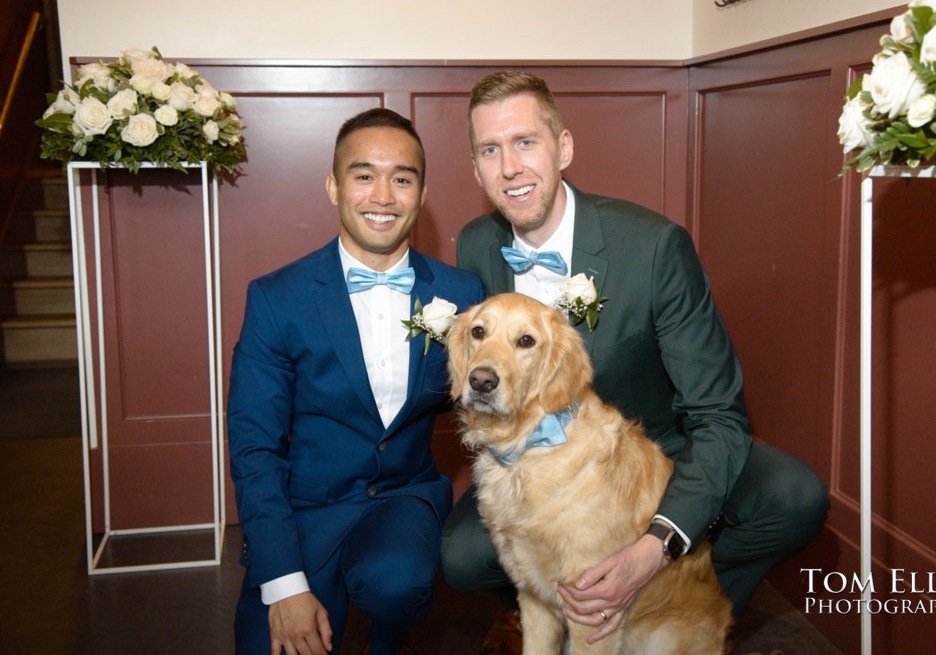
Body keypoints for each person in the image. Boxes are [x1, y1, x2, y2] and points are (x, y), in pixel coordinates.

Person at [441, 70, 830, 654]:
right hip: (536, 463)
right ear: (476, 170)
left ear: (563, 147)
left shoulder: (652, 247)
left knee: (793, 496)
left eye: (526, 142)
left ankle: (685, 606)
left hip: (654, 458)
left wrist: (656, 549)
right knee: (462, 556)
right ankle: (563, 606)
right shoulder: (475, 243)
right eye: (490, 151)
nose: (510, 168)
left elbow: (720, 414)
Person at [228, 107, 483, 655]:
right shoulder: (277, 299)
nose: (383, 196)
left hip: (401, 498)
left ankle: (387, 636)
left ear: (421, 192)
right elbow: (255, 448)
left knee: (396, 584)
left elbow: (492, 403)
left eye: (402, 178)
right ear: (333, 187)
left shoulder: (463, 294)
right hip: (306, 509)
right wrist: (286, 584)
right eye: (364, 175)